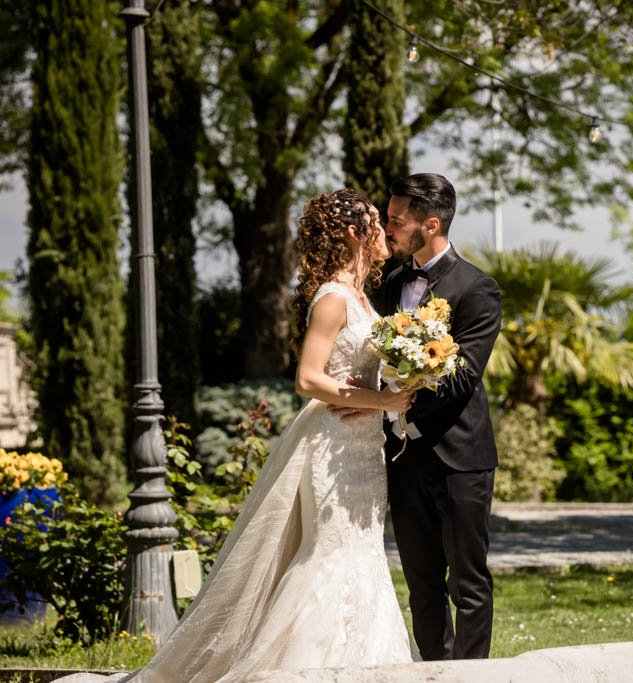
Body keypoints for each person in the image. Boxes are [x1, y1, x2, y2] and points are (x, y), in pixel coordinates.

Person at [58, 189, 417, 682]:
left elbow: (359, 371)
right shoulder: (334, 298)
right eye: (376, 221)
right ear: (355, 233)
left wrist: (399, 383)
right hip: (332, 445)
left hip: (364, 449)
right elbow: (307, 379)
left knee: (363, 553)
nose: (385, 230)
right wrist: (380, 401)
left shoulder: (362, 298)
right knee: (331, 554)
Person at [370, 172, 502, 660]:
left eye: (396, 220)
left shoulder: (477, 288)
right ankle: (433, 672)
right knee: (421, 583)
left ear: (430, 224)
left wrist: (398, 400)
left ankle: (471, 675)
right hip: (402, 456)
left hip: (461, 457)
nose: (388, 228)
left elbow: (463, 376)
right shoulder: (390, 285)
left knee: (467, 581)